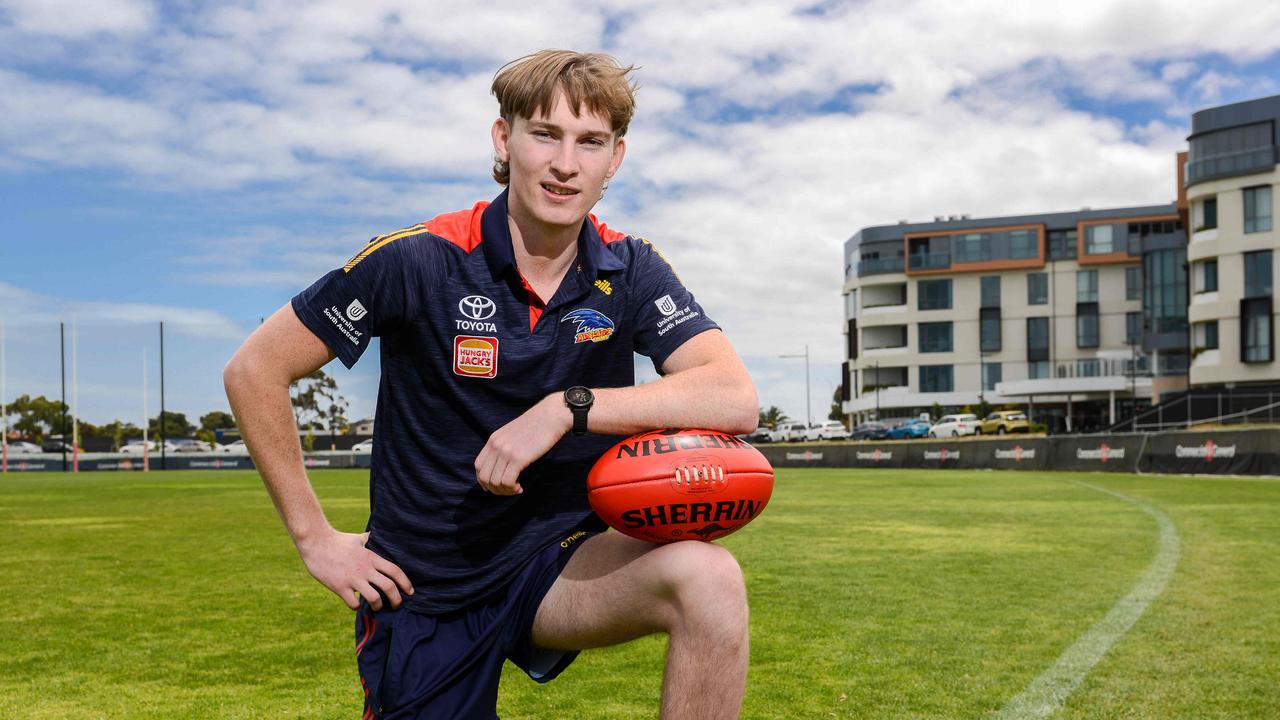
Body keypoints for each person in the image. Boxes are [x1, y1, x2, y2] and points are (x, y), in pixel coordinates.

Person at [224, 49, 757, 720]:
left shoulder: (631, 268)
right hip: (425, 587)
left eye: (590, 142)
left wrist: (569, 407)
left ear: (614, 159)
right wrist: (314, 538)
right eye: (546, 134)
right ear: (504, 139)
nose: (567, 164)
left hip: (559, 564)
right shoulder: (420, 259)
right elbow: (254, 370)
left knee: (708, 581)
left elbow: (733, 397)